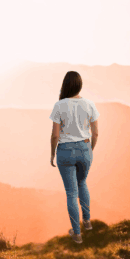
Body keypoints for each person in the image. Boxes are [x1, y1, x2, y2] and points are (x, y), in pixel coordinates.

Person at [50, 70, 99, 244]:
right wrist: (90, 150)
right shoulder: (90, 104)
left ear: (65, 85)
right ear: (80, 85)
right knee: (82, 183)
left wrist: (52, 154)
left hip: (65, 151)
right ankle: (87, 222)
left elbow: (55, 135)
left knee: (71, 192)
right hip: (85, 148)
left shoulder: (59, 105)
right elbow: (95, 133)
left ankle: (77, 234)